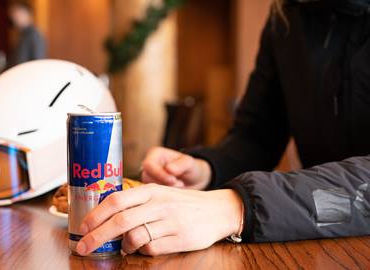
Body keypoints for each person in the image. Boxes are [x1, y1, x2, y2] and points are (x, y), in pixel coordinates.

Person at [75, 0, 370, 256]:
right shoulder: (287, 15)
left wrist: (237, 207)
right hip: (319, 245)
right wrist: (205, 168)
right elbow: (256, 136)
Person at [8, 1, 46, 67]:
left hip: (27, 75)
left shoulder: (34, 34)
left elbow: (38, 62)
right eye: (13, 15)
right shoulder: (21, 34)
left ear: (28, 14)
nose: (15, 18)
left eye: (18, 14)